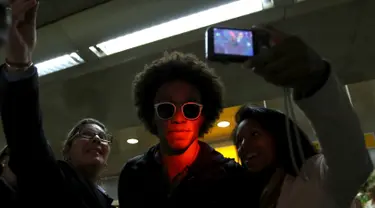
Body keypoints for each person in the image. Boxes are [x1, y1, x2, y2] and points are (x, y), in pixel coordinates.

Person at [233, 27, 372, 208]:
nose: (243, 146)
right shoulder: (256, 193)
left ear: (279, 135)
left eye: (254, 135)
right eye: (239, 141)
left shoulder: (317, 177)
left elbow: (351, 161)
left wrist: (315, 80)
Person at [1, 0, 114, 208]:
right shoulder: (54, 180)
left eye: (103, 138)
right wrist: (19, 65)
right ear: (67, 150)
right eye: (87, 134)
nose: (97, 139)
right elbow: (27, 139)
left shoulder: (106, 201)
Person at [117, 52, 261, 207]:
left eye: (190, 109)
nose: (178, 118)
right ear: (152, 115)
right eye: (166, 109)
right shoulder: (133, 174)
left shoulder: (232, 177)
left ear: (203, 116)